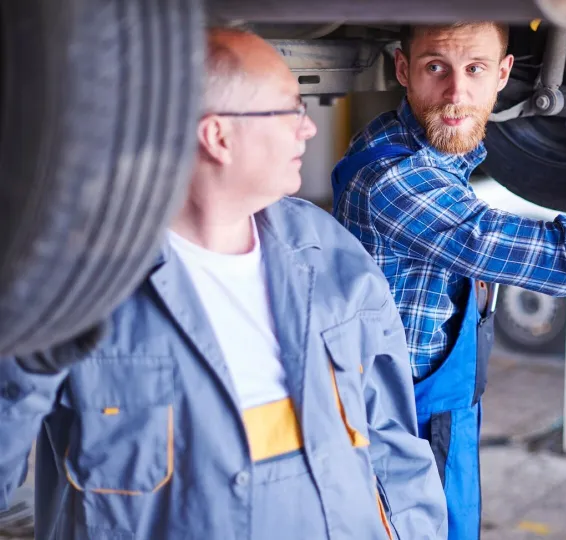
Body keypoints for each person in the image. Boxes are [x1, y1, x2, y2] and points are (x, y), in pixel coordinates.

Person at [0, 28, 447, 540]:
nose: (307, 129)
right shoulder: (81, 281)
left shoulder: (330, 253)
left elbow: (391, 446)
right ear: (217, 136)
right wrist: (24, 359)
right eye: (290, 110)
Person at [331, 21, 566, 540]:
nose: (456, 94)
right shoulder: (398, 181)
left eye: (475, 69)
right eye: (436, 67)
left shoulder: (401, 142)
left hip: (438, 419)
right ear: (402, 70)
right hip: (402, 438)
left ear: (504, 74)